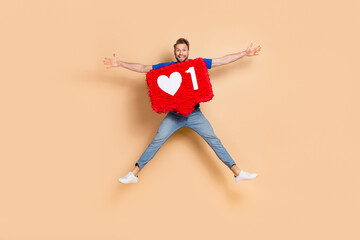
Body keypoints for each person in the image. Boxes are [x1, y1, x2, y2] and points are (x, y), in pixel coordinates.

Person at [103, 38, 261, 184]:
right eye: (178, 50)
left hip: (194, 115)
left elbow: (221, 60)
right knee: (157, 141)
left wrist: (244, 54)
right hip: (174, 116)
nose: (181, 53)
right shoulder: (167, 68)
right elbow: (143, 68)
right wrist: (120, 63)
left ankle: (237, 173)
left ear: (188, 51)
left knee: (214, 141)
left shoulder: (197, 64)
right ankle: (133, 174)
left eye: (183, 50)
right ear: (174, 52)